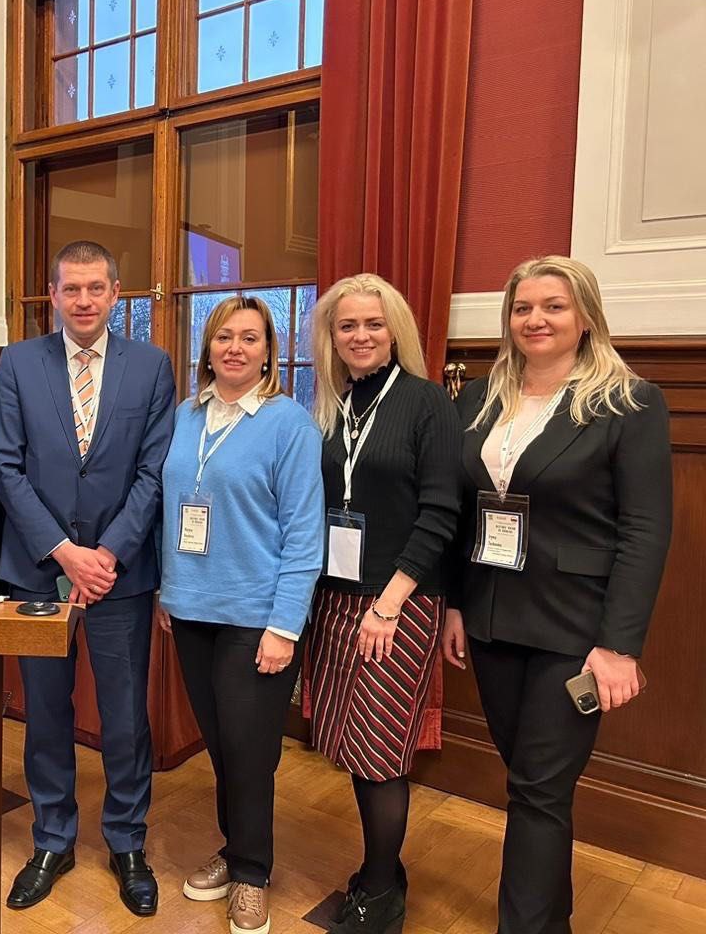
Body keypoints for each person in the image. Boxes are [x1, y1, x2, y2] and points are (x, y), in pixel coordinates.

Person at [442, 255, 672, 934]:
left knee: (538, 791)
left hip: (575, 630)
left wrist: (619, 647)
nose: (535, 319)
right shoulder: (477, 399)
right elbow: (461, 511)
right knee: (532, 783)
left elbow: (645, 531)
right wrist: (455, 603)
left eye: (553, 306)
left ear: (586, 317)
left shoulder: (628, 403)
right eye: (522, 308)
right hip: (491, 619)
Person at [0, 240, 175, 916]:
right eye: (71, 288)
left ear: (117, 293)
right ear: (53, 294)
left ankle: (127, 841)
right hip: (39, 571)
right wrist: (65, 552)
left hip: (120, 576)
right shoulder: (18, 362)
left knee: (125, 718)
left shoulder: (151, 367)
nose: (84, 300)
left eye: (97, 288)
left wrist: (108, 554)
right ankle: (53, 839)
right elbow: (6, 466)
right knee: (45, 713)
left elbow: (154, 472)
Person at [157, 294, 324, 934]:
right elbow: (170, 510)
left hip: (257, 617)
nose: (235, 348)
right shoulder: (185, 416)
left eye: (250, 338)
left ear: (268, 352)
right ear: (208, 347)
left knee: (251, 752)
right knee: (223, 747)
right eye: (224, 336)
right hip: (191, 609)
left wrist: (285, 626)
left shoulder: (289, 425)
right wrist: (168, 591)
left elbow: (304, 535)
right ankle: (235, 850)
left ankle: (253, 874)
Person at [304, 274, 461, 933]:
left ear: (395, 331)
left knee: (379, 751)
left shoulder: (426, 403)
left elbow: (441, 512)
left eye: (373, 323)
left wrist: (390, 604)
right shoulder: (333, 405)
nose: (360, 335)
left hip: (398, 603)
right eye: (348, 326)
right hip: (337, 599)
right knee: (353, 744)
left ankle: (379, 893)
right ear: (332, 337)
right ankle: (384, 871)